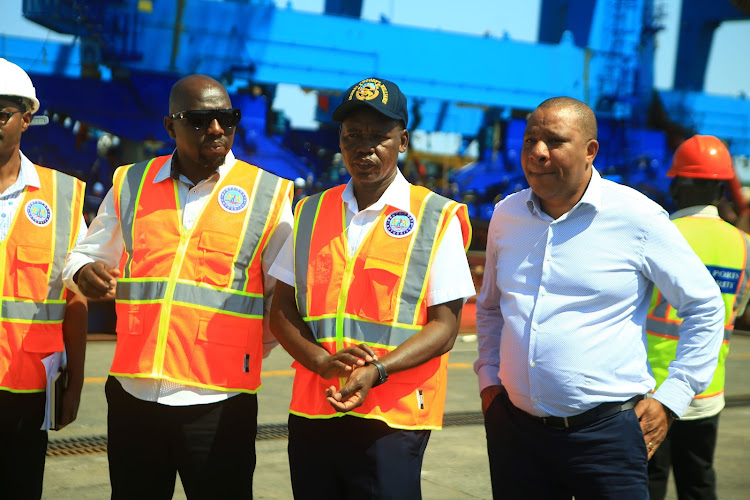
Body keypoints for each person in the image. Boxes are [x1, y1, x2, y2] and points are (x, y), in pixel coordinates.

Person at [474, 96, 726, 499]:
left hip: (606, 439)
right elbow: (489, 307)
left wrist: (673, 397)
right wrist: (489, 379)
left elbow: (705, 305)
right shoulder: (507, 216)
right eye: (530, 141)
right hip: (516, 434)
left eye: (554, 141)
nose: (537, 152)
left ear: (591, 150)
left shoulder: (637, 218)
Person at [63, 74, 293, 499]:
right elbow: (82, 254)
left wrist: (238, 353)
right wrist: (83, 272)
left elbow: (279, 303)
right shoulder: (130, 182)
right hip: (134, 395)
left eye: (227, 117)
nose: (217, 129)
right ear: (170, 126)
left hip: (219, 401)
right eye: (200, 119)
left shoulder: (270, 195)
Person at [269, 77, 475, 500]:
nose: (364, 147)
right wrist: (319, 361)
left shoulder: (435, 217)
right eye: (353, 135)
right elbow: (281, 309)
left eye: (378, 136)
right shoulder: (309, 213)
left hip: (392, 416)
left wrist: (377, 371)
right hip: (316, 406)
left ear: (402, 141)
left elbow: (445, 327)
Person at [0, 58, 88, 500]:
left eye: (2, 113)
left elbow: (75, 300)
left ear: (26, 119)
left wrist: (73, 385)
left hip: (26, 389)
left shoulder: (64, 197)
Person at [647, 135, 750, 500]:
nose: (671, 186)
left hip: (651, 390)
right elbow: (736, 309)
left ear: (681, 183)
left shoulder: (661, 234)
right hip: (708, 388)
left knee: (648, 483)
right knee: (699, 481)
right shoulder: (743, 243)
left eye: (675, 178)